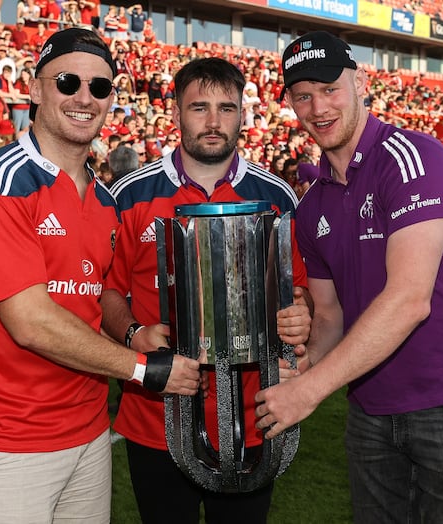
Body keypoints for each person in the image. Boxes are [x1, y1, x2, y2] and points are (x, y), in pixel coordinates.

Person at [254, 31, 443, 524]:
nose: (318, 107)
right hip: (370, 410)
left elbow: (409, 299)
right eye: (303, 95)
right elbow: (330, 316)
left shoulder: (414, 159)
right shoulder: (311, 207)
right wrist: (303, 364)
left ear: (361, 83)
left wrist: (307, 392)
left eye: (330, 88)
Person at [0, 27, 201, 523]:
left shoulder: (105, 200)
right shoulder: (0, 182)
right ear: (36, 88)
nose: (85, 98)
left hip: (88, 432)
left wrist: (133, 332)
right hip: (11, 438)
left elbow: (98, 294)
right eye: (68, 82)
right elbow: (31, 321)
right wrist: (141, 368)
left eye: (100, 87)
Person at [101, 57, 312, 524]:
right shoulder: (130, 194)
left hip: (254, 417)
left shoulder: (276, 196)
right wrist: (134, 332)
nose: (214, 122)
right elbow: (107, 293)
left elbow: (297, 290)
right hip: (154, 418)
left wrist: (301, 314)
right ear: (176, 111)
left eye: (227, 108)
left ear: (243, 115)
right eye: (199, 107)